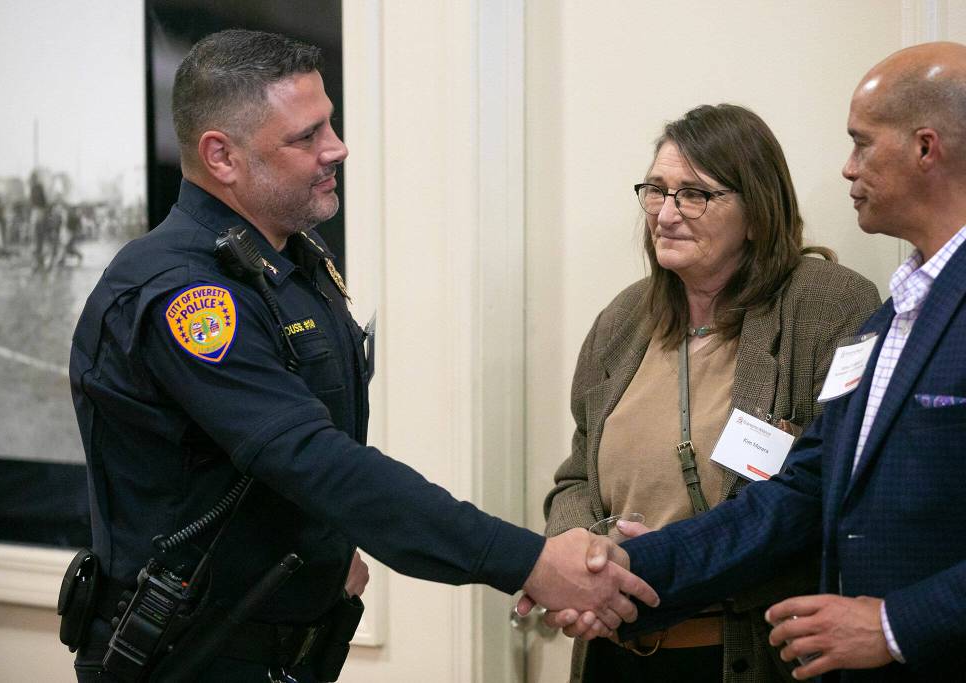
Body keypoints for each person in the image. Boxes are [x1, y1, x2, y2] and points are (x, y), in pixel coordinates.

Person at [67, 29, 656, 683]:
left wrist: (325, 548)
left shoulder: (290, 262)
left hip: (285, 651)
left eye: (332, 123)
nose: (336, 148)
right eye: (306, 135)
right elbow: (318, 462)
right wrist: (531, 562)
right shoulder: (184, 292)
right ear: (222, 157)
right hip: (193, 659)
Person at [540, 41, 966, 682]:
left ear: (925, 148)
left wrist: (892, 624)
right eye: (656, 190)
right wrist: (616, 565)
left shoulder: (838, 304)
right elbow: (804, 489)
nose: (847, 169)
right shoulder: (898, 315)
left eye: (861, 143)